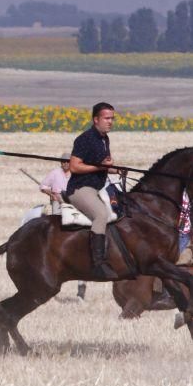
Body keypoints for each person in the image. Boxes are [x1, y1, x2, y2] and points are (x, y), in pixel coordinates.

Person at [66, 102, 120, 279]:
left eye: (112, 118)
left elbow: (101, 166)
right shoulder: (85, 139)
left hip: (97, 187)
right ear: (95, 119)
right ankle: (97, 264)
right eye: (106, 118)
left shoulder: (105, 138)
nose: (110, 122)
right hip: (81, 188)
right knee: (101, 215)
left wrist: (115, 170)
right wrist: (99, 167)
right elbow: (74, 167)